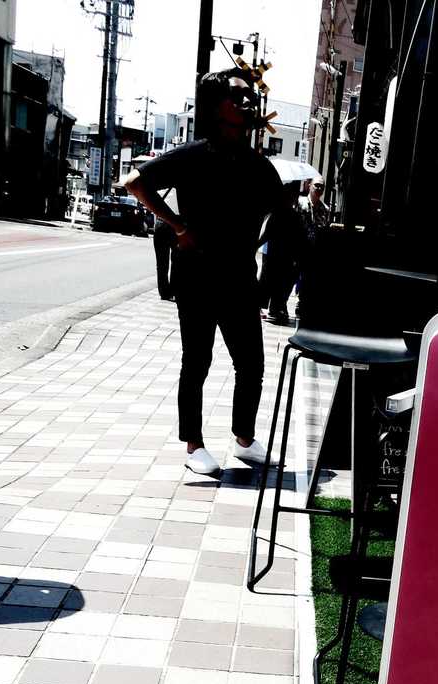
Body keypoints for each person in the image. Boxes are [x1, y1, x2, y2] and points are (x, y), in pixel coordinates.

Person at [125, 71, 280, 475]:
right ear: (216, 106)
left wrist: (254, 240)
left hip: (240, 275)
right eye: (237, 96)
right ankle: (194, 445)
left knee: (252, 362)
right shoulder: (192, 155)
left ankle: (244, 439)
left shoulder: (259, 165)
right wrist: (178, 226)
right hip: (196, 275)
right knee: (197, 360)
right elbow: (135, 183)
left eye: (251, 97)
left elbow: (277, 212)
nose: (248, 103)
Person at [259, 181, 306, 324]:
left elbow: (300, 238)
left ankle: (277, 307)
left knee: (281, 282)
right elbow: (265, 234)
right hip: (276, 255)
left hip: (284, 256)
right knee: (272, 281)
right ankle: (273, 307)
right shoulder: (277, 214)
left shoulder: (291, 215)